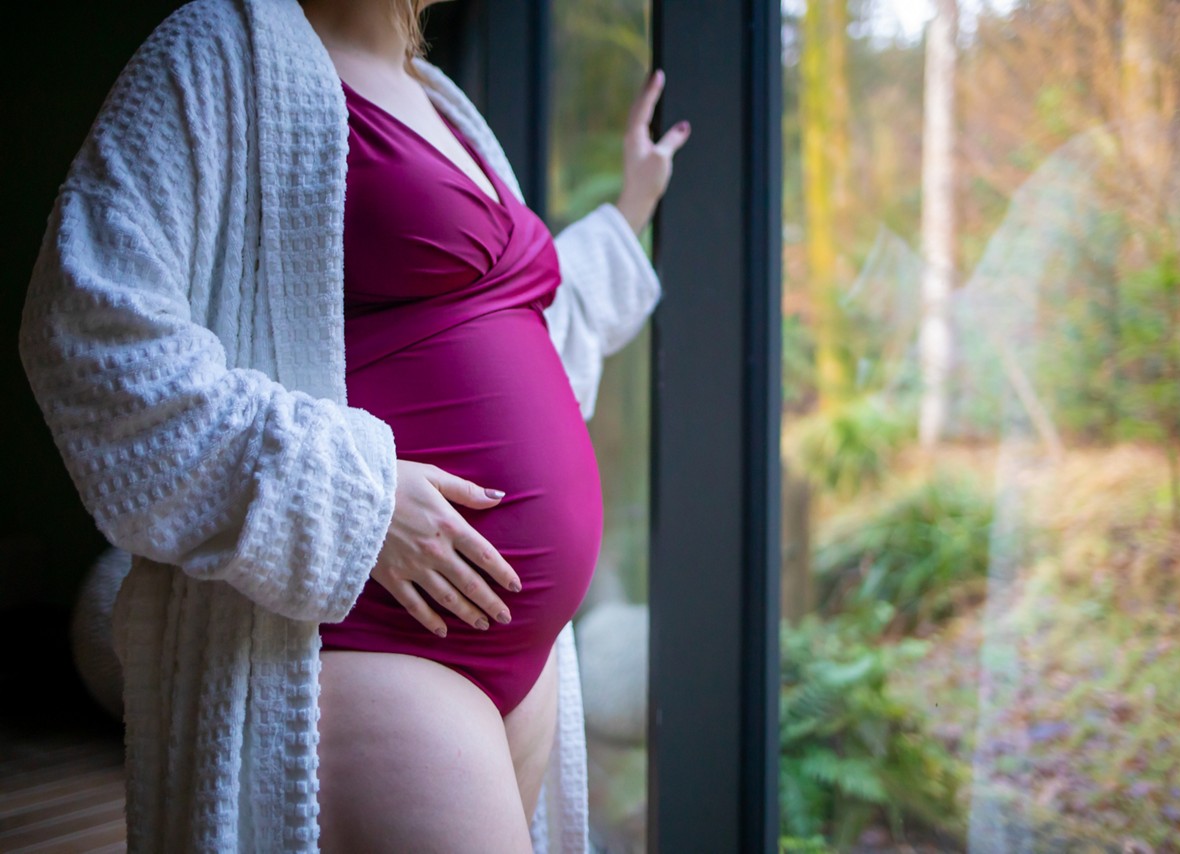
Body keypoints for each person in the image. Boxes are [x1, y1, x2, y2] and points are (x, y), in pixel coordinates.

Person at [16, 0, 690, 850]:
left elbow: (517, 326)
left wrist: (630, 208)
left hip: (513, 662)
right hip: (366, 639)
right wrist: (358, 501)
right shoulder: (221, 47)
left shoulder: (440, 100)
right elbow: (87, 331)